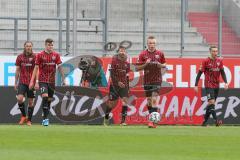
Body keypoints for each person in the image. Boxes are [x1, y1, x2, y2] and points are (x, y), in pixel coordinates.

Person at [29, 38, 65, 126]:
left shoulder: (56, 55)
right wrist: (35, 81)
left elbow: (60, 67)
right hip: (42, 80)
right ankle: (45, 119)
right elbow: (36, 68)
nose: (50, 47)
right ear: (45, 45)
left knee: (49, 100)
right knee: (45, 97)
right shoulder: (40, 55)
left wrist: (64, 78)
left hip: (52, 81)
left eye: (52, 45)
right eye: (49, 45)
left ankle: (44, 115)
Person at [194, 45, 228, 126]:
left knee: (210, 104)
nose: (215, 53)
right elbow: (199, 73)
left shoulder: (219, 61)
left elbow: (222, 72)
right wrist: (196, 85)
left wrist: (226, 82)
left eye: (216, 51)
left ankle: (204, 123)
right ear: (210, 52)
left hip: (216, 85)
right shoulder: (205, 61)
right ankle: (216, 120)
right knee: (211, 102)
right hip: (208, 84)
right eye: (213, 51)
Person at [137, 36, 166, 128]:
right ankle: (153, 119)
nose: (152, 45)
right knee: (149, 101)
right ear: (147, 44)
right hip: (147, 80)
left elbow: (164, 64)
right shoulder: (143, 54)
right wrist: (146, 64)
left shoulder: (160, 54)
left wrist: (160, 65)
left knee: (154, 99)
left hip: (157, 80)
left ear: (155, 44)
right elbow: (137, 68)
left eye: (153, 43)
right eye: (150, 43)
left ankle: (152, 121)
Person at [104, 46, 130, 126]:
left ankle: (123, 121)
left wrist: (127, 87)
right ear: (118, 52)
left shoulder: (127, 64)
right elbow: (112, 74)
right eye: (121, 51)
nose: (122, 52)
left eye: (123, 51)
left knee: (125, 102)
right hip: (115, 86)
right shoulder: (114, 61)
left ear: (125, 53)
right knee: (111, 104)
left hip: (124, 86)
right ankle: (106, 117)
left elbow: (127, 76)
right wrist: (118, 82)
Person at [15, 41, 36, 126]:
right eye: (27, 46)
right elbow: (17, 70)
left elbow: (37, 69)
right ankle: (23, 116)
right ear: (24, 47)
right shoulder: (20, 57)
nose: (28, 47)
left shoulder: (35, 57)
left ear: (32, 47)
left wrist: (36, 82)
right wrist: (15, 82)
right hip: (22, 82)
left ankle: (29, 120)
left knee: (31, 102)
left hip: (31, 82)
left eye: (30, 46)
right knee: (19, 98)